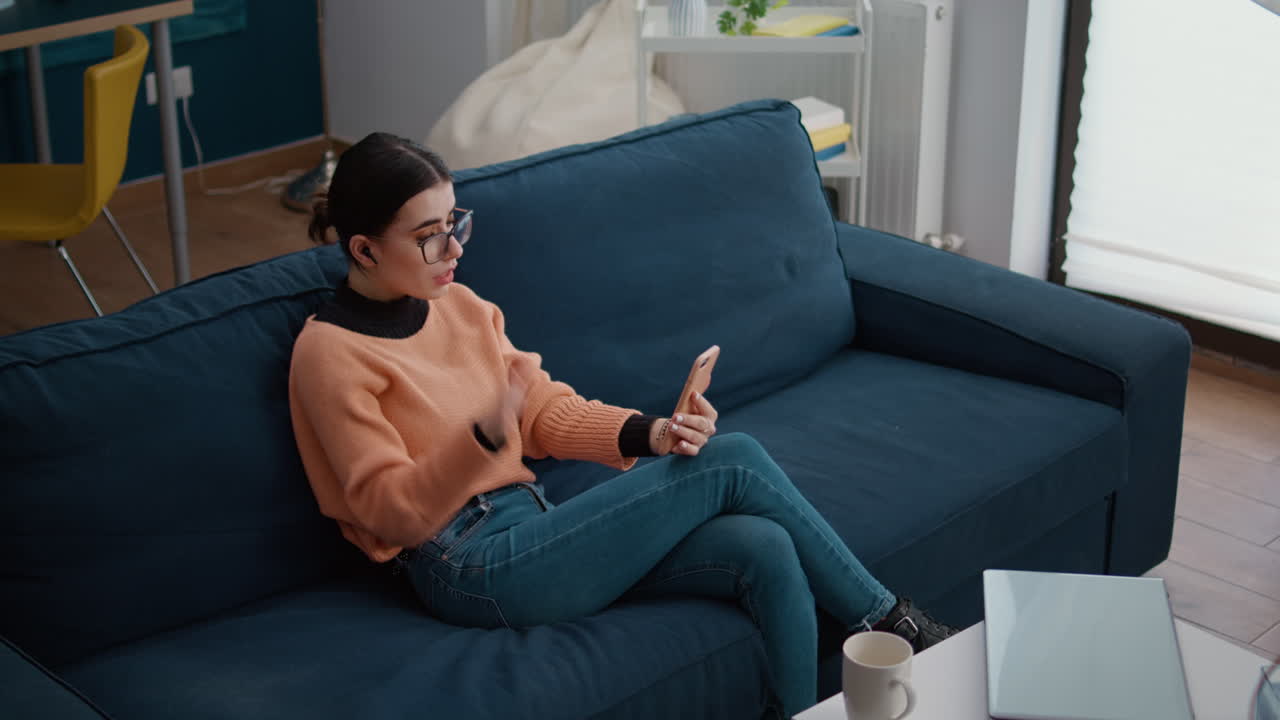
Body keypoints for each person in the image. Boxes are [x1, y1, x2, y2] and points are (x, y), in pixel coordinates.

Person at [288, 132, 956, 718]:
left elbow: (544, 409)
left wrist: (653, 434)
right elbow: (388, 511)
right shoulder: (331, 354)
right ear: (366, 250)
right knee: (735, 457)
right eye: (429, 233)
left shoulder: (460, 305)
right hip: (464, 564)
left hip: (531, 523)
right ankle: (898, 624)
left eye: (455, 221)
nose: (452, 246)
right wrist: (483, 440)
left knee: (764, 547)